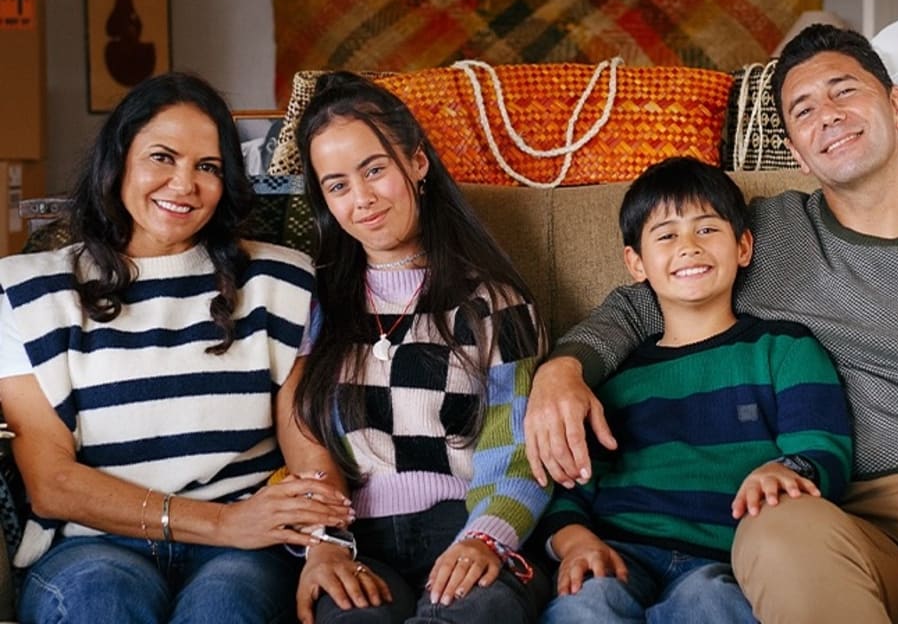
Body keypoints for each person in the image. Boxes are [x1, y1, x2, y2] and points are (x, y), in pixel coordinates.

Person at [524, 23, 898, 623]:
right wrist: (564, 368)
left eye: (844, 91)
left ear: (897, 105)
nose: (827, 114)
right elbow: (646, 304)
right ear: (797, 153)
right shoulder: (768, 235)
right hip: (841, 519)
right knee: (773, 530)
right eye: (804, 109)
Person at [0, 72, 354, 623]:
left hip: (243, 548)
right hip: (94, 544)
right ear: (117, 162)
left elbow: (308, 448)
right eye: (162, 157)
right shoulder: (26, 293)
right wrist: (216, 523)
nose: (184, 184)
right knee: (103, 603)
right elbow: (51, 483)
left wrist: (326, 539)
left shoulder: (282, 283)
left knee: (225, 607)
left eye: (207, 167)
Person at [535, 157, 852, 624]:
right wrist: (575, 542)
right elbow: (569, 488)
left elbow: (824, 448)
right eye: (666, 235)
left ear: (743, 246)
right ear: (636, 263)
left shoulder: (783, 348)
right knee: (586, 605)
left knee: (710, 601)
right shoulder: (616, 377)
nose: (688, 247)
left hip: (726, 559)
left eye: (707, 230)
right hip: (620, 552)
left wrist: (784, 470)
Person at [292, 71, 552, 624]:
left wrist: (486, 538)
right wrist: (322, 542)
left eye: (375, 170)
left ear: (417, 163)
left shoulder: (495, 303)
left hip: (466, 526)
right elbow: (300, 443)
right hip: (357, 544)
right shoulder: (314, 307)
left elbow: (522, 447)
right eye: (337, 185)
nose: (361, 199)